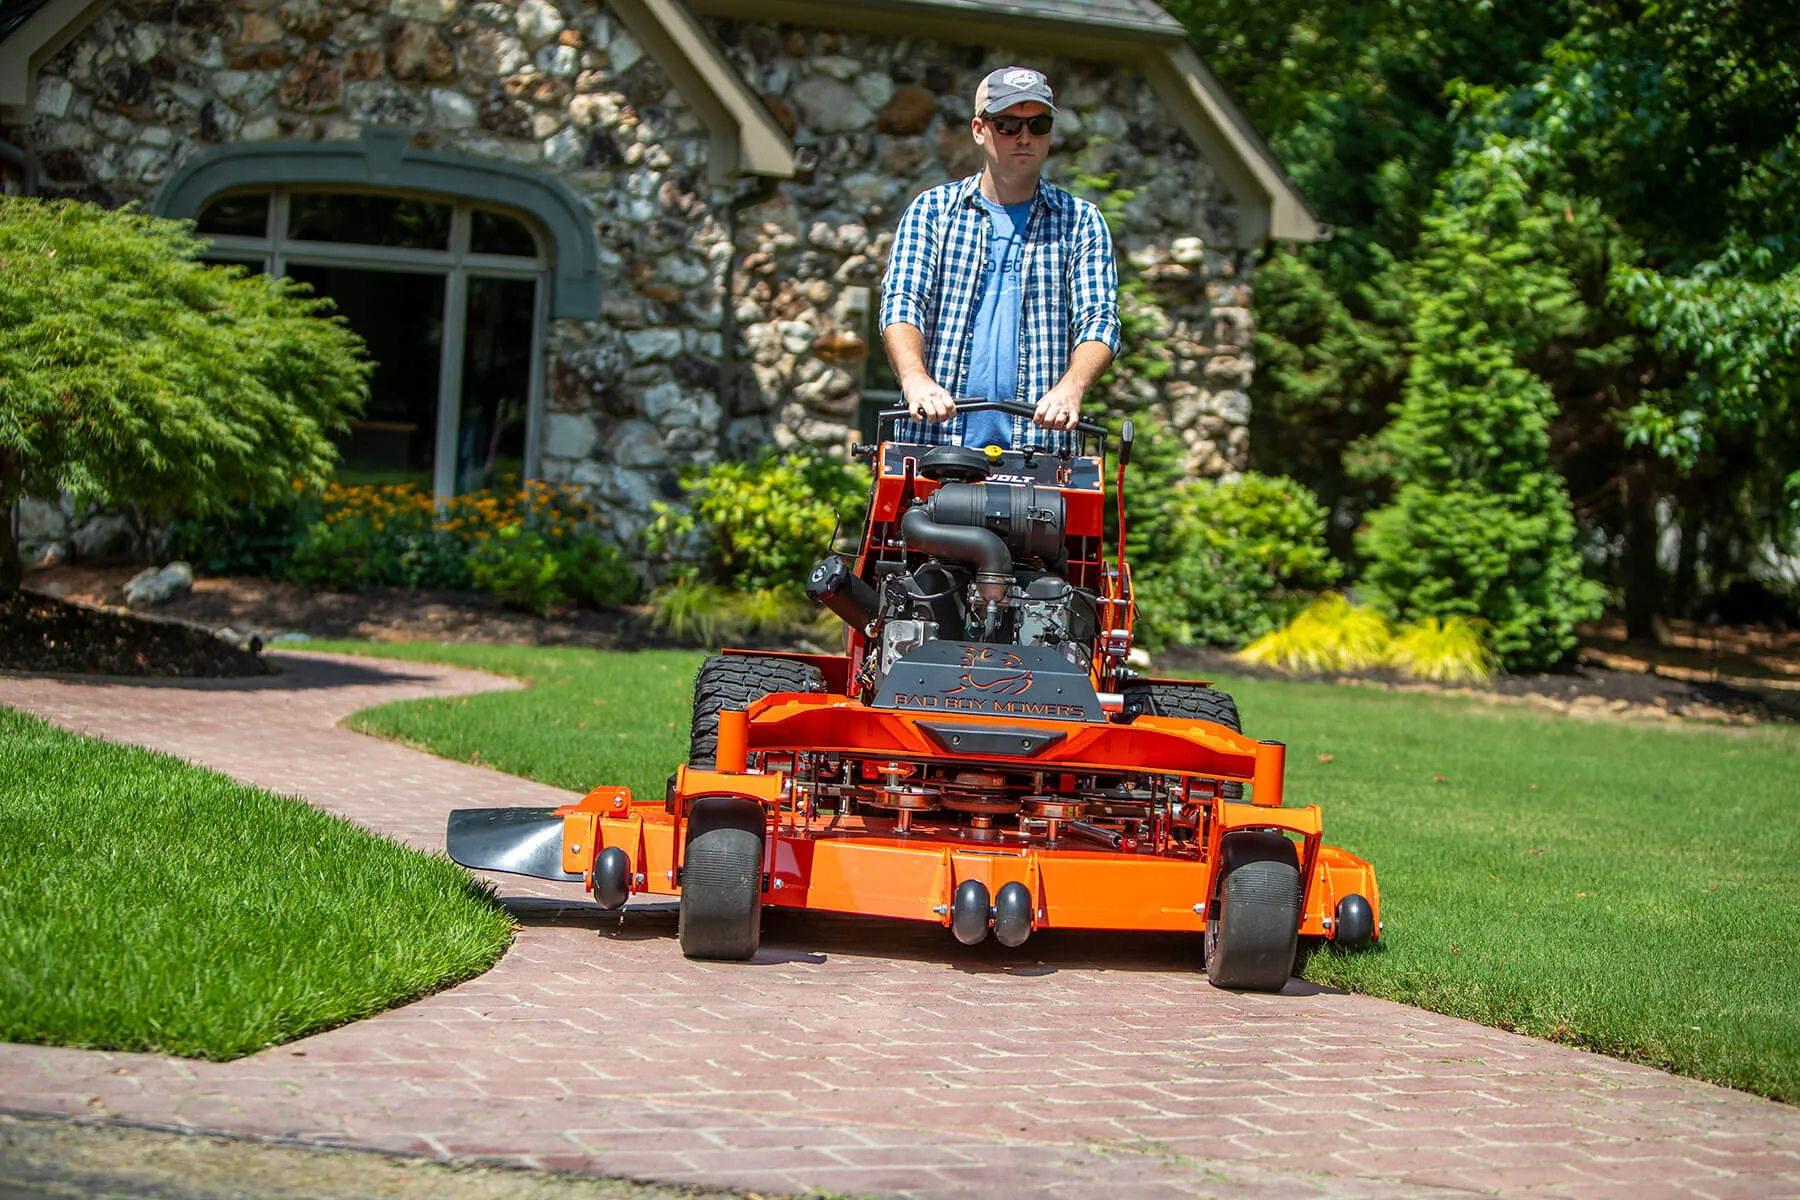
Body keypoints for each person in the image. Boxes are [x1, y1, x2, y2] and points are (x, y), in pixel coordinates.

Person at [879, 66, 1120, 453]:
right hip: (935, 446)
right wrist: (915, 379)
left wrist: (1071, 389)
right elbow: (903, 302)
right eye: (1007, 124)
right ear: (979, 129)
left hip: (1040, 451)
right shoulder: (933, 211)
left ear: (1050, 133)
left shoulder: (1081, 221)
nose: (1024, 137)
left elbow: (1100, 320)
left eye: (1038, 124)